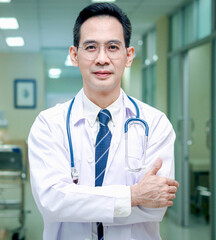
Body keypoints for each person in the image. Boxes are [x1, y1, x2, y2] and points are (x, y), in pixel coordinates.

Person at [28, 3, 179, 240]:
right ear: (74, 55)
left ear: (128, 56)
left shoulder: (156, 123)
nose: (102, 59)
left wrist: (78, 201)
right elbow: (52, 202)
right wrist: (133, 196)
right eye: (90, 47)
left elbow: (155, 207)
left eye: (112, 47)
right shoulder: (48, 124)